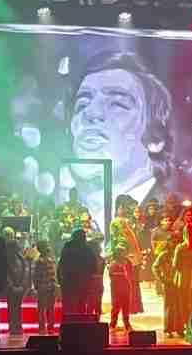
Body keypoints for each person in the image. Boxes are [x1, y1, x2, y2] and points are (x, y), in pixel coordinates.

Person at [65, 51, 174, 228]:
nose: (91, 113)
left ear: (155, 139)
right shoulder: (69, 216)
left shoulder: (173, 217)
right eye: (82, 104)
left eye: (117, 104)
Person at [107, 197, 142, 330]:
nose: (123, 209)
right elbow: (115, 239)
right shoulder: (115, 223)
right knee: (116, 300)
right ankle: (114, 322)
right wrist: (119, 252)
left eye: (124, 207)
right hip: (119, 263)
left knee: (126, 298)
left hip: (128, 260)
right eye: (121, 207)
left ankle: (126, 322)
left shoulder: (128, 222)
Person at [58, 228, 98, 316]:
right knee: (82, 303)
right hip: (83, 281)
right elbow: (94, 266)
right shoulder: (87, 248)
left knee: (69, 304)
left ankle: (68, 321)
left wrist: (60, 278)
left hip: (69, 280)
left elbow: (62, 262)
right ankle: (81, 321)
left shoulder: (68, 246)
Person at [4, 227, 29, 335]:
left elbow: (25, 271)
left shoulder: (21, 258)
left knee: (17, 308)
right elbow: (5, 274)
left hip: (20, 287)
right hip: (11, 288)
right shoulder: (6, 259)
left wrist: (22, 285)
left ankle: (18, 326)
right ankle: (13, 327)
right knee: (12, 308)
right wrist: (12, 286)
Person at [32, 240, 57, 334]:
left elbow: (36, 276)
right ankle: (46, 327)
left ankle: (46, 327)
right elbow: (36, 276)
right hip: (45, 287)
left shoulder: (46, 260)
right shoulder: (41, 261)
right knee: (46, 309)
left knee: (46, 309)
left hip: (46, 287)